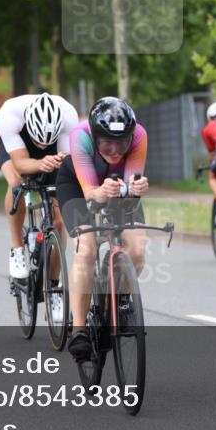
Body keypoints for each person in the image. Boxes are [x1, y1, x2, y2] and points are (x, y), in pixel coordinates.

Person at [55, 97, 148, 362]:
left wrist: (136, 190)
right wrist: (102, 191)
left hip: (116, 188)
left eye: (122, 142)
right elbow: (90, 195)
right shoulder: (80, 135)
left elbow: (131, 191)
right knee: (86, 249)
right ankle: (80, 329)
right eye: (107, 143)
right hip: (78, 187)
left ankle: (118, 301)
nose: (116, 150)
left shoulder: (140, 135)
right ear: (95, 137)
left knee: (137, 249)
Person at [0, 93, 79, 290]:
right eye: (39, 142)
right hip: (18, 145)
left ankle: (53, 284)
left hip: (55, 148)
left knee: (59, 223)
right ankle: (17, 249)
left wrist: (54, 164)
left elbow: (67, 165)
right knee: (16, 182)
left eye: (45, 143)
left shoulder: (68, 116)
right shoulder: (10, 114)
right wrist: (41, 162)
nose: (41, 146)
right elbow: (20, 164)